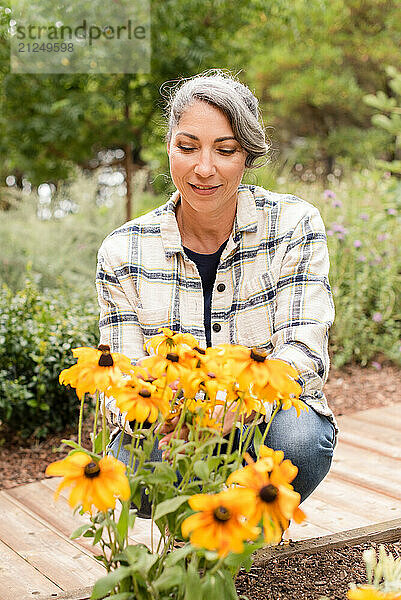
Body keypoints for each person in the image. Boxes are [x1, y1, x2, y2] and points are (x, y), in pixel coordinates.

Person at [96, 70, 337, 511]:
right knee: (130, 469)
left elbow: (304, 351)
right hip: (169, 431)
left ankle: (233, 520)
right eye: (187, 147)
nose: (203, 168)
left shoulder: (293, 224)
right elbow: (120, 381)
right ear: (169, 147)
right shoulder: (122, 250)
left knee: (299, 440)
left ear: (247, 154)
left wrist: (234, 408)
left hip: (258, 422)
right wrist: (177, 418)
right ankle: (202, 522)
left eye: (225, 150)